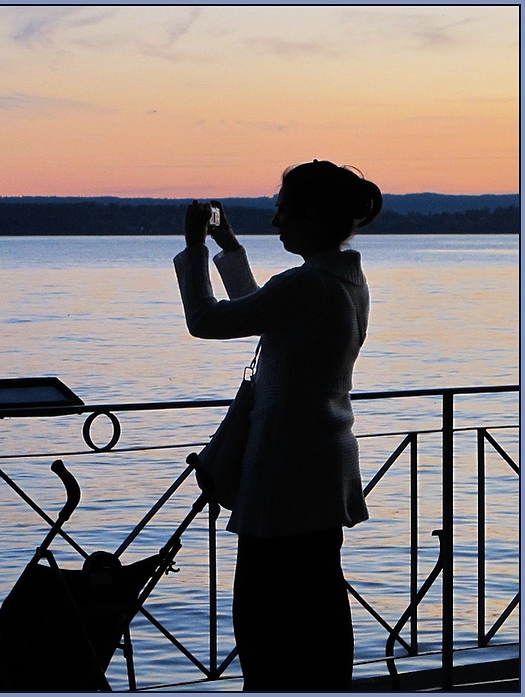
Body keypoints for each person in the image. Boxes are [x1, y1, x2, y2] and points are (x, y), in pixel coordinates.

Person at [173, 159, 382, 691]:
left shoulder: (308, 284)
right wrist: (229, 247)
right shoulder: (345, 280)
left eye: (283, 212)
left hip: (285, 471)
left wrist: (196, 246)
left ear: (311, 217)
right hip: (324, 465)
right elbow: (259, 310)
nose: (277, 224)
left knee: (267, 624)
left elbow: (209, 321)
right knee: (317, 608)